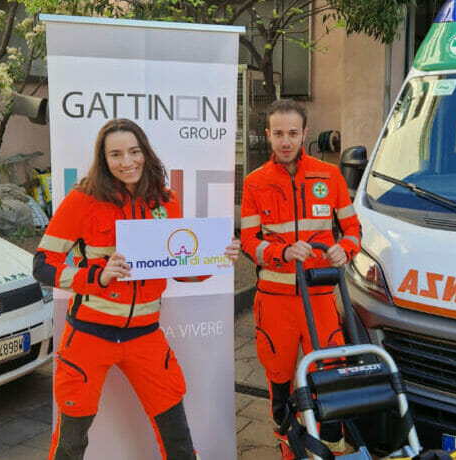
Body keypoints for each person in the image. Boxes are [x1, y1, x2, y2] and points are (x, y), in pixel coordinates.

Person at [33, 118, 240, 460]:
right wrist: (95, 276)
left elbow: (178, 268)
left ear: (145, 152)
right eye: (116, 154)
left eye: (134, 151)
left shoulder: (165, 200)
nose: (127, 162)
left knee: (178, 441)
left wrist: (215, 258)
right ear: (104, 159)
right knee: (70, 444)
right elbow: (42, 264)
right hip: (88, 337)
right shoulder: (82, 200)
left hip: (145, 336)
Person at [239, 99, 362, 459]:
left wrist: (345, 249)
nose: (286, 141)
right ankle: (288, 445)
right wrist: (281, 253)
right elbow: (249, 240)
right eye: (278, 133)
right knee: (278, 376)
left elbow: (352, 228)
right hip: (274, 300)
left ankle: (333, 445)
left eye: (293, 133)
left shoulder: (330, 175)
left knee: (330, 374)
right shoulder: (254, 183)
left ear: (305, 133)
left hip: (321, 294)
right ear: (268, 135)